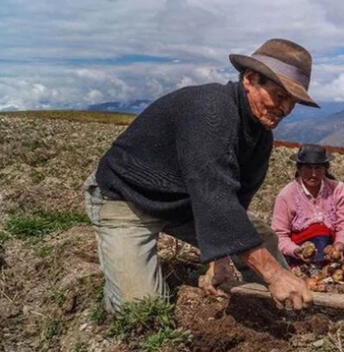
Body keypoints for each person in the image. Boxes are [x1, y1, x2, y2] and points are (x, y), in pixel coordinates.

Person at [83, 38, 318, 312]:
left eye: (293, 102)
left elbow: (233, 202)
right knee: (141, 309)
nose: (286, 110)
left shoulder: (259, 137)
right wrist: (273, 274)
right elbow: (215, 200)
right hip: (126, 199)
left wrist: (217, 259)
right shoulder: (210, 112)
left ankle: (285, 309)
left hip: (185, 204)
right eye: (280, 96)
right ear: (250, 79)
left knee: (261, 236)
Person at [271, 144, 344, 266]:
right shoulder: (286, 195)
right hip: (302, 245)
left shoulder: (338, 189)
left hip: (333, 241)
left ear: (325, 169)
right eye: (308, 168)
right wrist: (296, 251)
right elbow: (279, 235)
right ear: (299, 169)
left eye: (318, 168)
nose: (313, 174)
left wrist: (339, 245)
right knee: (318, 231)